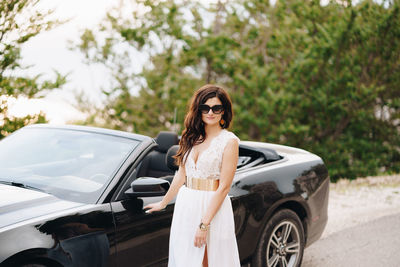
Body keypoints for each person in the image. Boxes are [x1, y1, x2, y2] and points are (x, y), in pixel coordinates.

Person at [144, 84, 241, 267]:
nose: (210, 112)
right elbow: (181, 175)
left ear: (223, 111)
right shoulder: (189, 137)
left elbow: (224, 188)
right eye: (205, 107)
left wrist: (204, 225)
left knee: (208, 260)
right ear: (199, 110)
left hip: (211, 206)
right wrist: (163, 202)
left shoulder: (230, 141)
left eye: (216, 108)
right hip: (186, 204)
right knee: (185, 259)